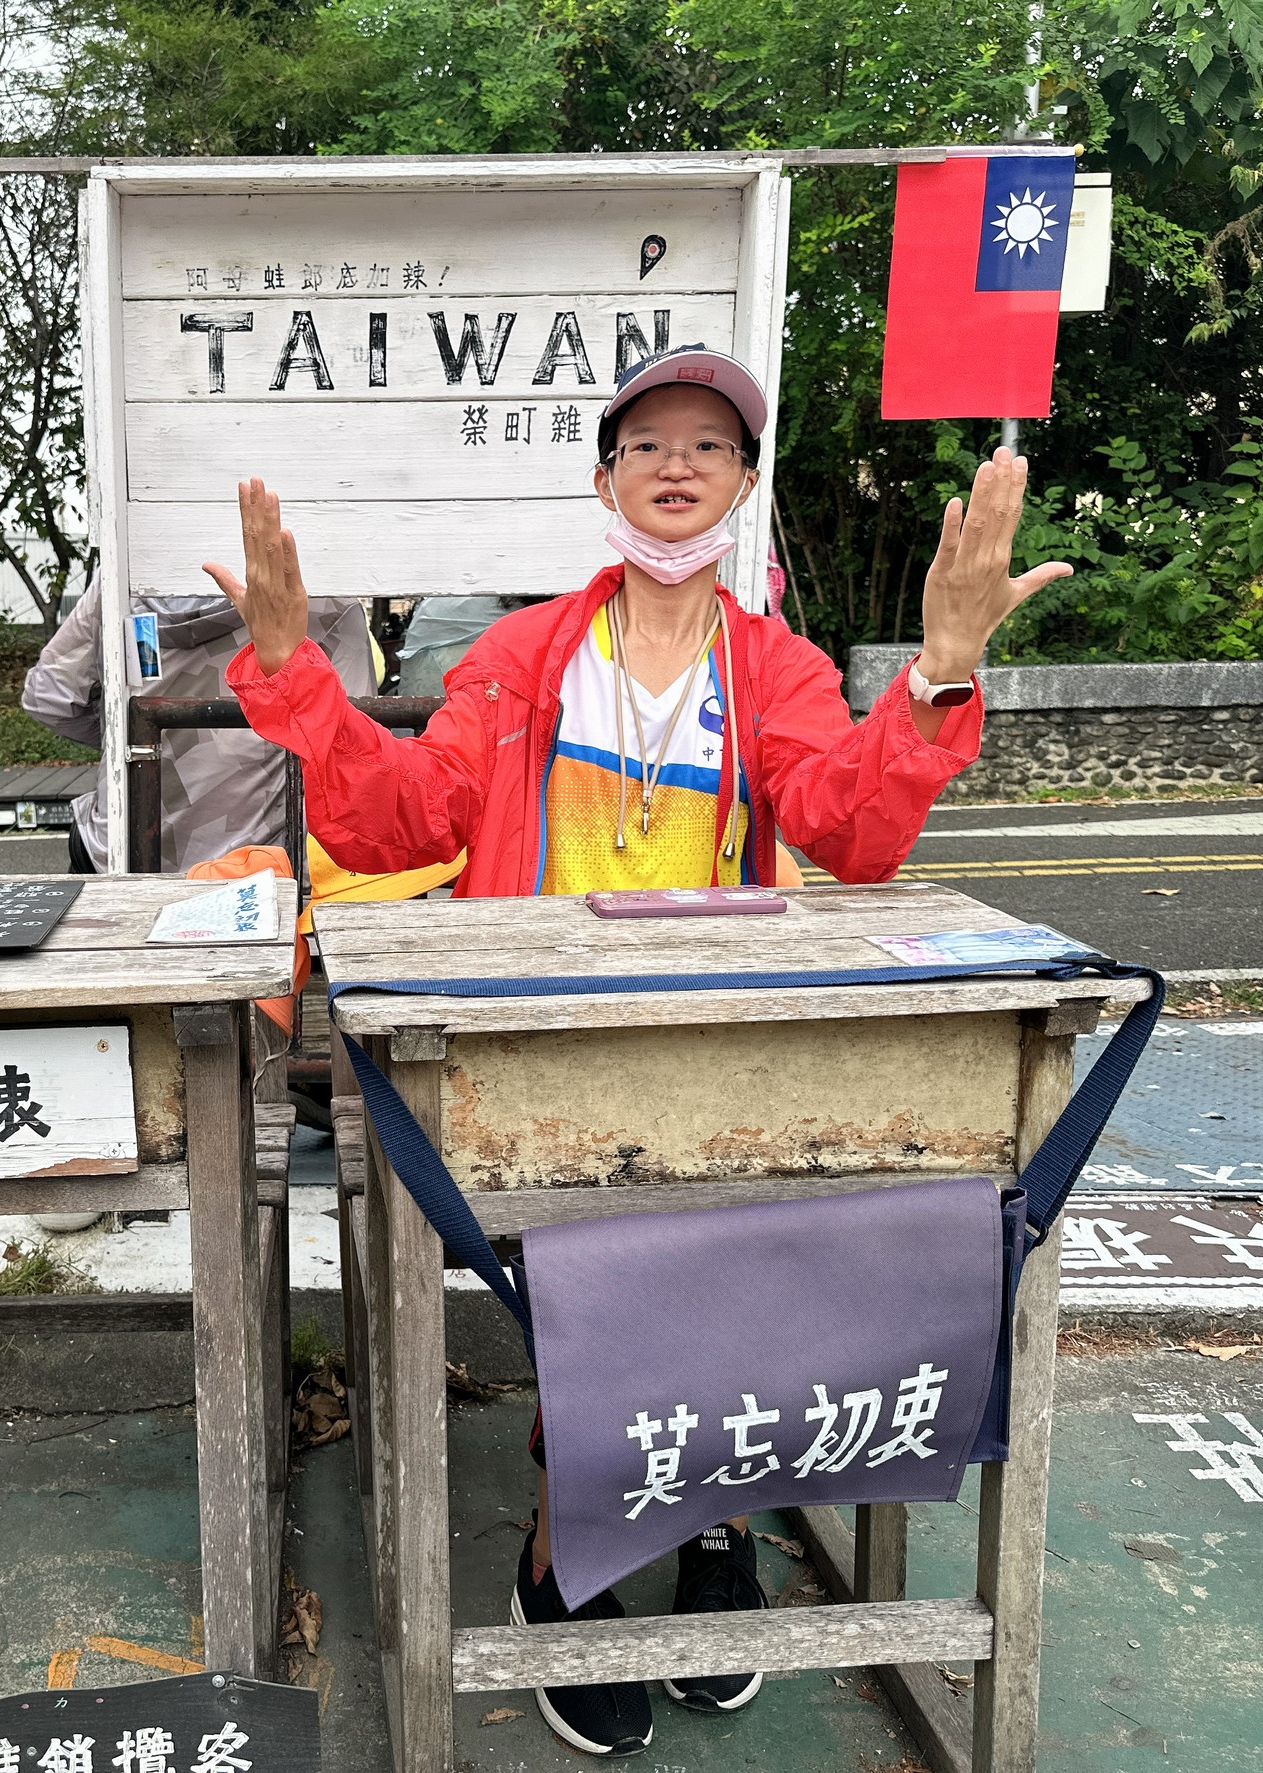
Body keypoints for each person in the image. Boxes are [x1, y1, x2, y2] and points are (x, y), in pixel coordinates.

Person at [204, 343, 1070, 1757]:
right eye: (649, 443)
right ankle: (566, 1549)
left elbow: (850, 833)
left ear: (742, 484)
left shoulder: (776, 668)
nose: (678, 465)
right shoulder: (520, 660)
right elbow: (399, 820)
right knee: (595, 1268)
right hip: (538, 1060)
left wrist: (940, 675)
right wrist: (299, 677)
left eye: (710, 445)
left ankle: (712, 1518)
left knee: (752, 1246)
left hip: (720, 1055)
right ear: (604, 481)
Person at [21, 577, 376, 872]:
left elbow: (48, 697)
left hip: (113, 848)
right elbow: (353, 752)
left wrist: (130, 739)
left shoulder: (123, 578)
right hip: (246, 866)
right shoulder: (324, 600)